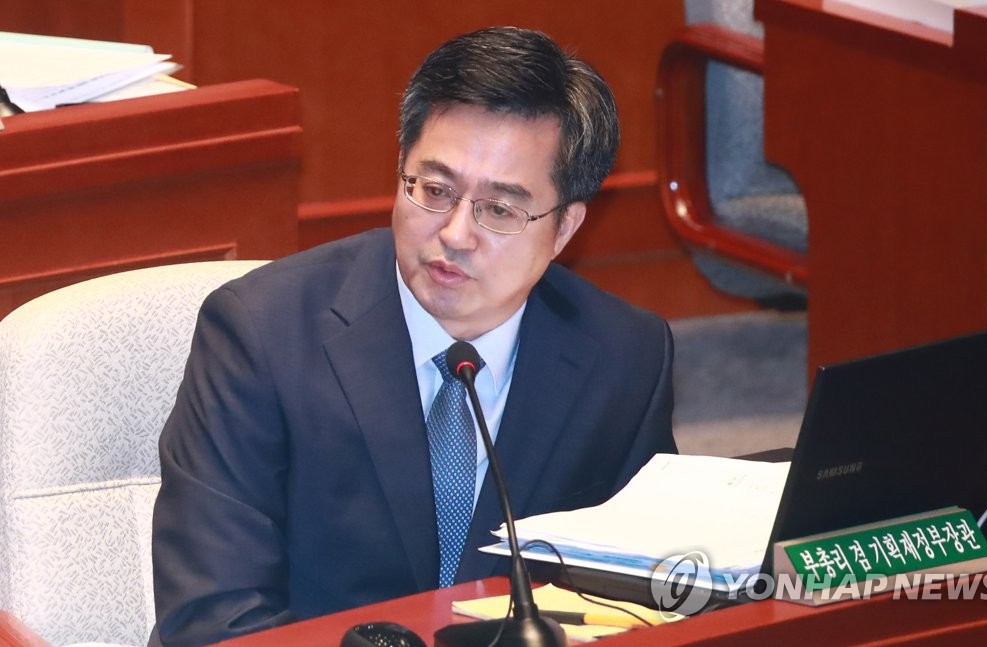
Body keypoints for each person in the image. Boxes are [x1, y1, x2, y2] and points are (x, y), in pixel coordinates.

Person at [150, 26, 676, 645]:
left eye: (500, 210)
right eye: (435, 190)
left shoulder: (624, 356)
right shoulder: (260, 333)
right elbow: (214, 620)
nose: (455, 233)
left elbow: (646, 598)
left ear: (564, 229)